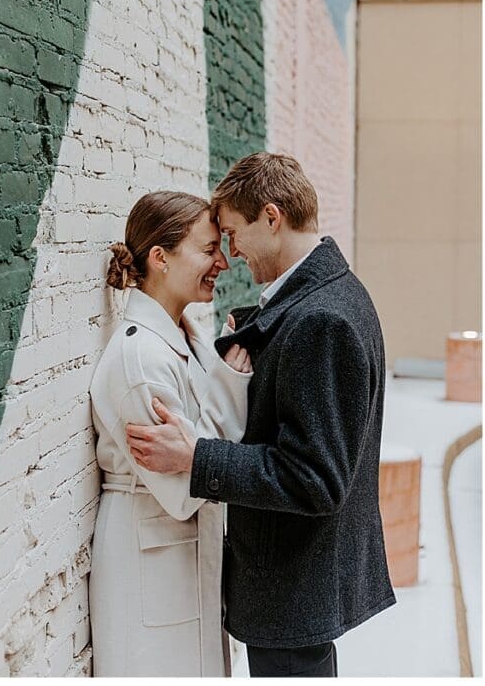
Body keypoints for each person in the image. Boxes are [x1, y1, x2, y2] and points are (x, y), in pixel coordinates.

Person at [127, 153, 396, 677]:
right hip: (297, 588)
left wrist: (197, 456)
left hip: (293, 588)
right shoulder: (325, 296)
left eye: (232, 234)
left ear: (271, 218)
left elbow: (315, 478)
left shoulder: (321, 319)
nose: (230, 254)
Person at [88, 191, 252, 677]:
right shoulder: (141, 361)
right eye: (207, 249)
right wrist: (231, 387)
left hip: (185, 561)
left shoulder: (186, 337)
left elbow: (202, 451)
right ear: (160, 258)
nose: (222, 261)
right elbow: (183, 491)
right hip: (149, 563)